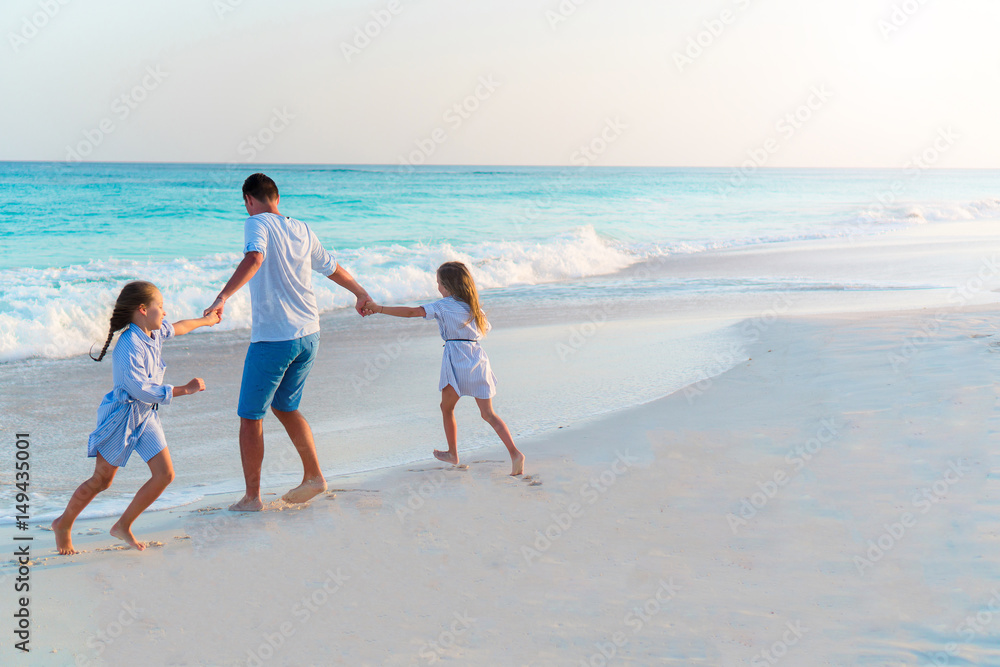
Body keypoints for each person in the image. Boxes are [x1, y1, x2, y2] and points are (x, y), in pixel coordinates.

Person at [204, 173, 372, 512]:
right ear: (276, 197)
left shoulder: (256, 223)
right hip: (309, 334)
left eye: (247, 204)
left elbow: (254, 259)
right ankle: (313, 476)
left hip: (274, 339)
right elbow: (332, 267)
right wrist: (360, 292)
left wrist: (223, 296)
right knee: (285, 406)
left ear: (249, 200)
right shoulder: (302, 228)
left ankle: (252, 498)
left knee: (251, 416)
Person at [52, 281, 219, 554]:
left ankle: (123, 525)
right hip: (121, 417)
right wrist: (183, 390)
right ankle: (63, 524)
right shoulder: (129, 344)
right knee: (102, 481)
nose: (164, 313)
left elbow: (179, 326)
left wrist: (206, 321)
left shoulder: (153, 332)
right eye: (160, 307)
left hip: (146, 414)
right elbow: (139, 388)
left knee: (165, 474)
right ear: (143, 309)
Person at [363, 261, 525, 476]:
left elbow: (412, 312)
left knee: (447, 408)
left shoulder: (442, 305)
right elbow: (484, 329)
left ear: (447, 286)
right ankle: (515, 453)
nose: (437, 286)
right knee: (488, 414)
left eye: (438, 283)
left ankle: (453, 452)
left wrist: (379, 308)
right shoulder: (475, 308)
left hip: (456, 360)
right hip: (478, 359)